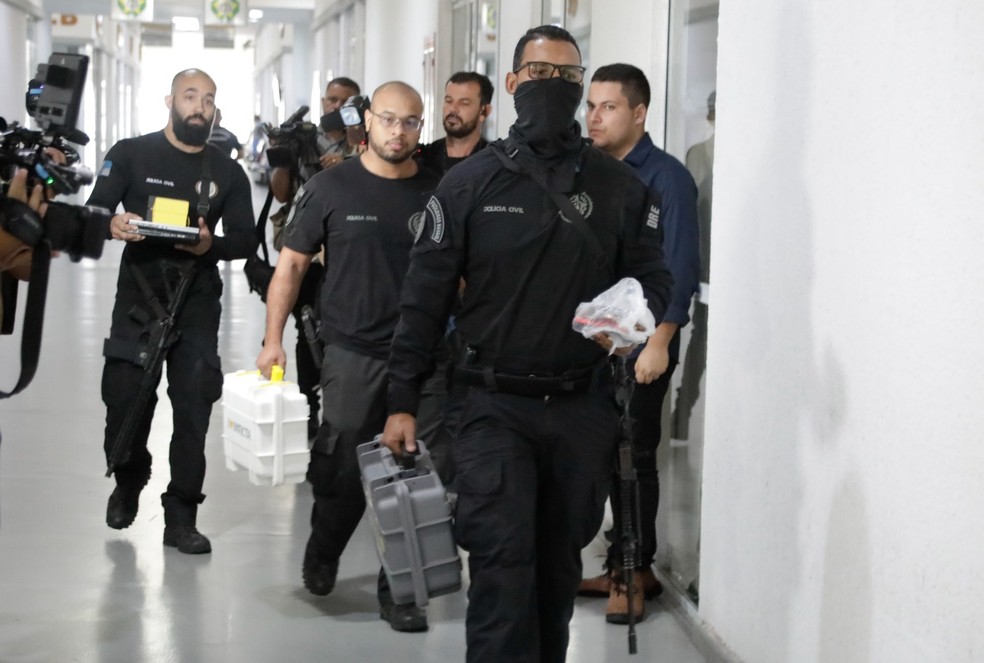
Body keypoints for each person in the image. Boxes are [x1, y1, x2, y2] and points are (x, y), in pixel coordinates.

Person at [381, 26, 673, 662]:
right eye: (539, 76)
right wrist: (401, 400)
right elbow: (422, 300)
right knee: (502, 568)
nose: (553, 89)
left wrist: (632, 318)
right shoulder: (467, 185)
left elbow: (654, 278)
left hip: (580, 408)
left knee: (556, 572)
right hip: (491, 407)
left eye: (567, 79)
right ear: (512, 85)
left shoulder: (621, 188)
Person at [255, 81, 448, 633]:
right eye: (389, 119)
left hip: (425, 357)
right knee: (341, 472)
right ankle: (324, 549)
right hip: (352, 354)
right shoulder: (331, 188)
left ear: (420, 126)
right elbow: (289, 268)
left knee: (414, 476)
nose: (399, 131)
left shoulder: (439, 194)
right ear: (370, 122)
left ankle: (401, 591)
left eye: (411, 122)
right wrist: (272, 342)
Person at [87, 68, 256, 554]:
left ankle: (181, 516)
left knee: (193, 408)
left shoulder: (226, 170)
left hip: (197, 299)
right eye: (189, 96)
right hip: (139, 298)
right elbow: (95, 211)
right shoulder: (130, 153)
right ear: (169, 101)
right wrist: (115, 223)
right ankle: (129, 476)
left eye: (207, 98)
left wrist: (209, 245)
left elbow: (244, 239)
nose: (198, 106)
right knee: (123, 398)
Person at [580, 63, 700, 622]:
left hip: (643, 345)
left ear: (639, 113)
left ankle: (636, 570)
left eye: (608, 107)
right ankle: (618, 562)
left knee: (634, 456)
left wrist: (661, 342)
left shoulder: (666, 177)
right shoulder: (590, 173)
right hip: (596, 342)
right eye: (591, 105)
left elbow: (680, 267)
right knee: (605, 453)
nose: (594, 116)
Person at [267, 76, 362, 439]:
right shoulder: (306, 140)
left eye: (344, 100)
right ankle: (309, 408)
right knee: (306, 329)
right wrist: (282, 156)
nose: (335, 106)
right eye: (331, 99)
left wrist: (347, 160)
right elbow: (280, 195)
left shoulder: (366, 141)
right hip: (309, 250)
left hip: (347, 252)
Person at [416, 71, 493, 175]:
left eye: (464, 103)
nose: (453, 109)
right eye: (449, 101)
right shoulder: (424, 158)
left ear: (484, 111)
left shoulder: (493, 162)